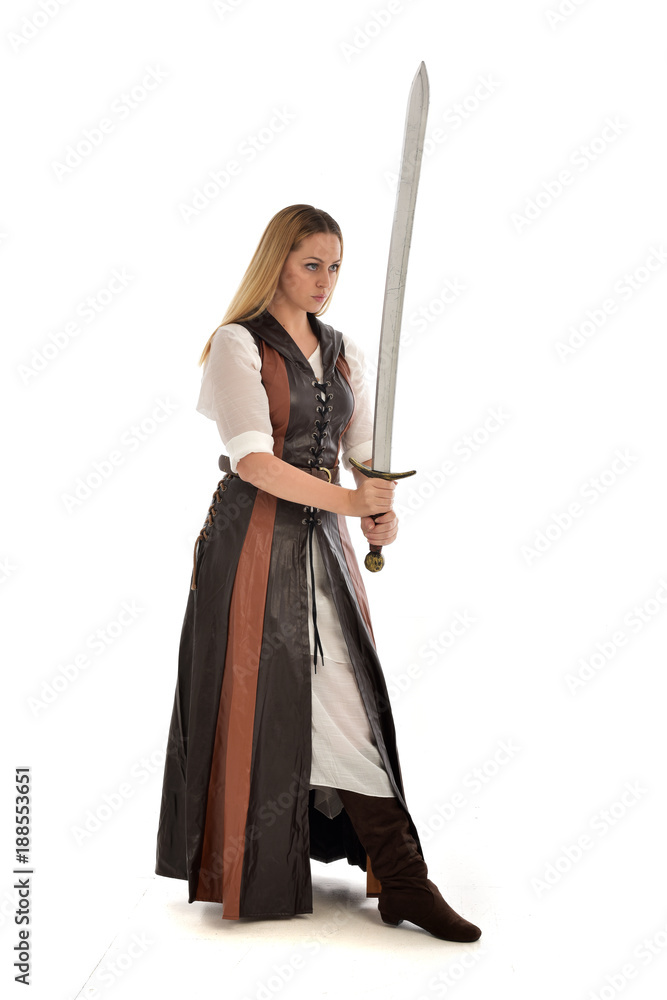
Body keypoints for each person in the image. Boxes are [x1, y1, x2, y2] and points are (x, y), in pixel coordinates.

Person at [154, 204, 481, 942]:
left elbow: (364, 455)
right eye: (311, 264)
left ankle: (399, 879)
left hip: (323, 549)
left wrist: (377, 514)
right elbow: (254, 460)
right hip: (248, 546)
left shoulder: (342, 352)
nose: (325, 281)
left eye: (335, 267)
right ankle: (399, 879)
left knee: (343, 695)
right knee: (276, 697)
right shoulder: (238, 345)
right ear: (278, 261)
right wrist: (347, 498)